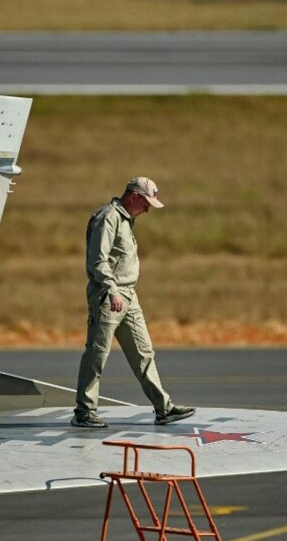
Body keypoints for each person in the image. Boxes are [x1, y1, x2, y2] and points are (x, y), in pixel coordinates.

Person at [71, 177, 195, 428]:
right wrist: (112, 290)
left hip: (129, 296)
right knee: (97, 354)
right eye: (146, 203)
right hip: (109, 296)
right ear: (134, 196)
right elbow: (98, 260)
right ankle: (84, 412)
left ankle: (164, 408)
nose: (148, 209)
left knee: (143, 352)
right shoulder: (108, 218)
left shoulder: (127, 219)